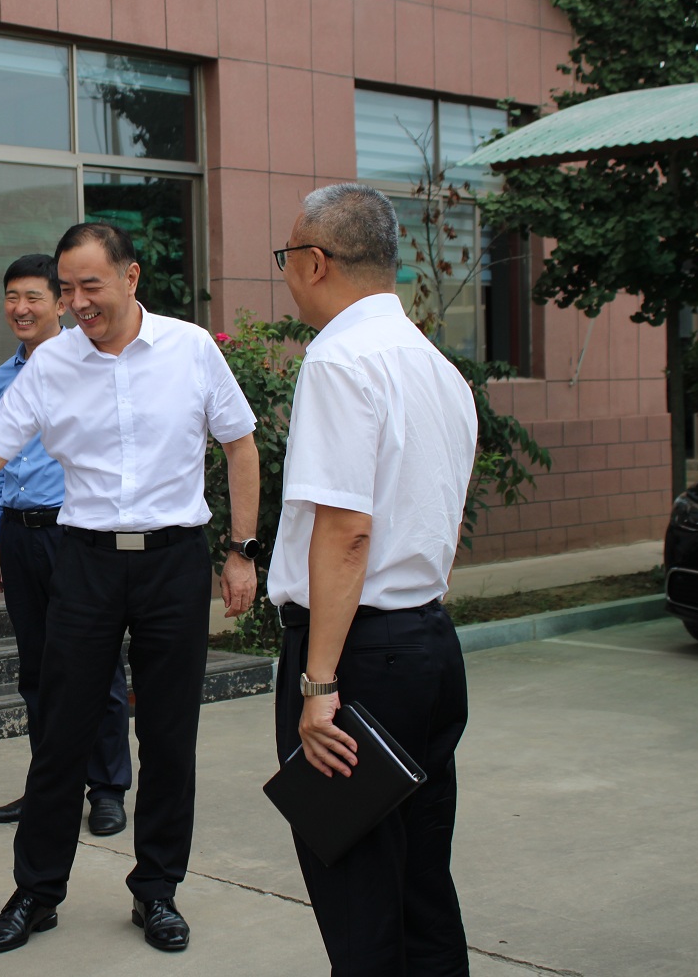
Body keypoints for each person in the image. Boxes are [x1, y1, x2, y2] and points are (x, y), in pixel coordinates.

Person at [0, 222, 262, 954]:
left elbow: (240, 444)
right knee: (60, 732)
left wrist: (241, 551)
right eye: (67, 290)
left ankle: (157, 891)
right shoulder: (51, 364)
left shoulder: (190, 348)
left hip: (172, 562)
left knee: (170, 737)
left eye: (89, 286)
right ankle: (36, 892)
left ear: (131, 277)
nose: (76, 304)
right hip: (86, 562)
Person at [267, 183, 476, 976]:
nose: (288, 273)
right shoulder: (437, 367)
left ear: (316, 262)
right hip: (427, 646)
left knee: (358, 895)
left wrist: (319, 684)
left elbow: (346, 532)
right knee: (422, 884)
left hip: (355, 658)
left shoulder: (338, 360)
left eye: (288, 257)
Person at [0, 253, 131, 837]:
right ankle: (50, 787)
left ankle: (107, 788)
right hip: (19, 535)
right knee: (36, 670)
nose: (21, 308)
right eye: (11, 297)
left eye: (33, 297)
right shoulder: (4, 376)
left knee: (97, 667)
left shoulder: (89, 364)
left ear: (61, 303)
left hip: (75, 534)